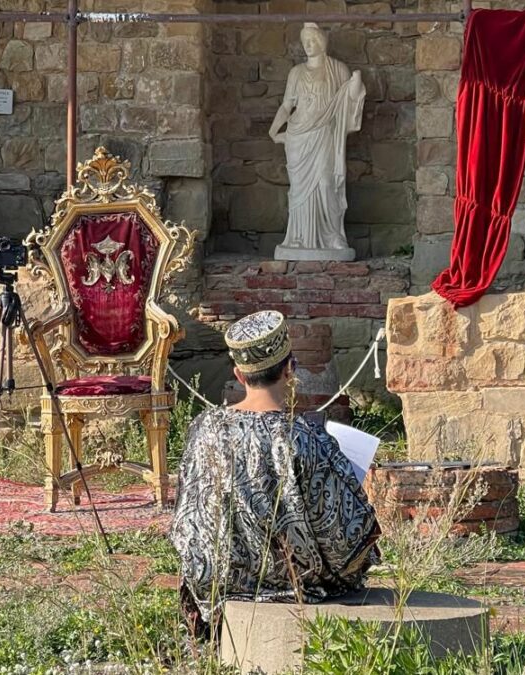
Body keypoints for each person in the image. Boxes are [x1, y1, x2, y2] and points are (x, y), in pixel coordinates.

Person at [169, 310, 380, 639]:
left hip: (216, 580)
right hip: (293, 584)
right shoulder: (304, 439)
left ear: (239, 375)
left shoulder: (203, 428)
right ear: (290, 369)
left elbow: (188, 516)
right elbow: (347, 540)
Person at [269, 22, 366, 259]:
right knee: (299, 190)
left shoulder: (338, 69)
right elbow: (286, 105)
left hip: (325, 133)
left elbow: (347, 103)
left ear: (322, 42)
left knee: (325, 182)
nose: (308, 46)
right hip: (298, 136)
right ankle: (299, 238)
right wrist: (273, 131)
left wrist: (356, 84)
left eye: (312, 41)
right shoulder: (296, 72)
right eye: (305, 42)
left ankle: (333, 236)